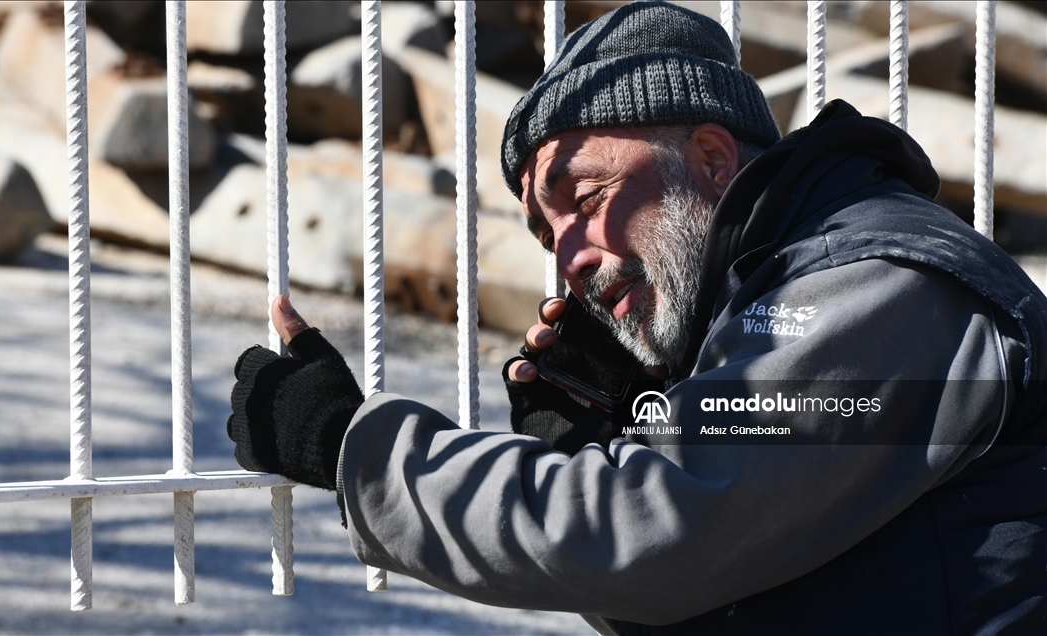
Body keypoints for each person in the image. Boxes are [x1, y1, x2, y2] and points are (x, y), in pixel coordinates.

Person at [227, 3, 1046, 633]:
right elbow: (704, 590)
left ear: (713, 159)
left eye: (585, 199)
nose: (571, 255)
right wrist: (614, 438)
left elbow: (656, 529)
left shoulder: (872, 283)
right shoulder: (779, 300)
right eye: (548, 235)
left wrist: (351, 446)